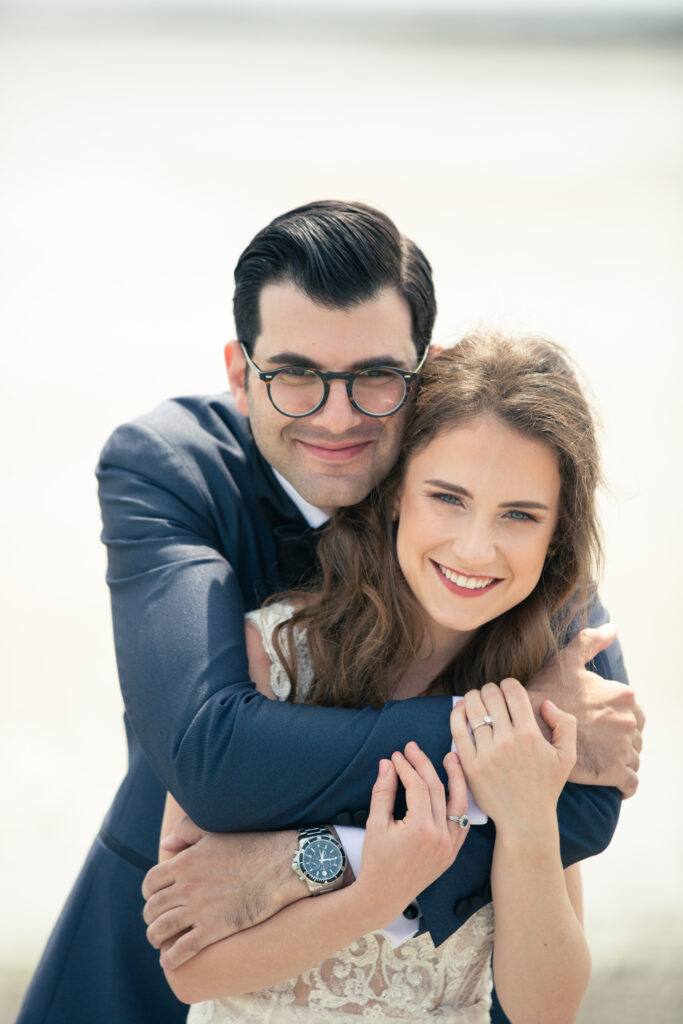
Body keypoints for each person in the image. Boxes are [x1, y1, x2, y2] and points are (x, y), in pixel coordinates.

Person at [17, 201, 641, 1024]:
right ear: (241, 375)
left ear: (428, 377)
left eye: (376, 376)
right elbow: (211, 759)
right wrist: (511, 726)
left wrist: (301, 861)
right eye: (296, 375)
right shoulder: (171, 469)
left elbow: (587, 808)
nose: (338, 415)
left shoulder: (492, 501)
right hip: (168, 927)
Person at [159, 332, 603, 1023]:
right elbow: (189, 967)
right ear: (395, 491)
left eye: (518, 515)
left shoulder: (531, 696)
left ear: (555, 537)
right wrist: (375, 890)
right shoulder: (273, 656)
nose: (475, 547)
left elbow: (545, 1009)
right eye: (447, 498)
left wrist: (524, 827)